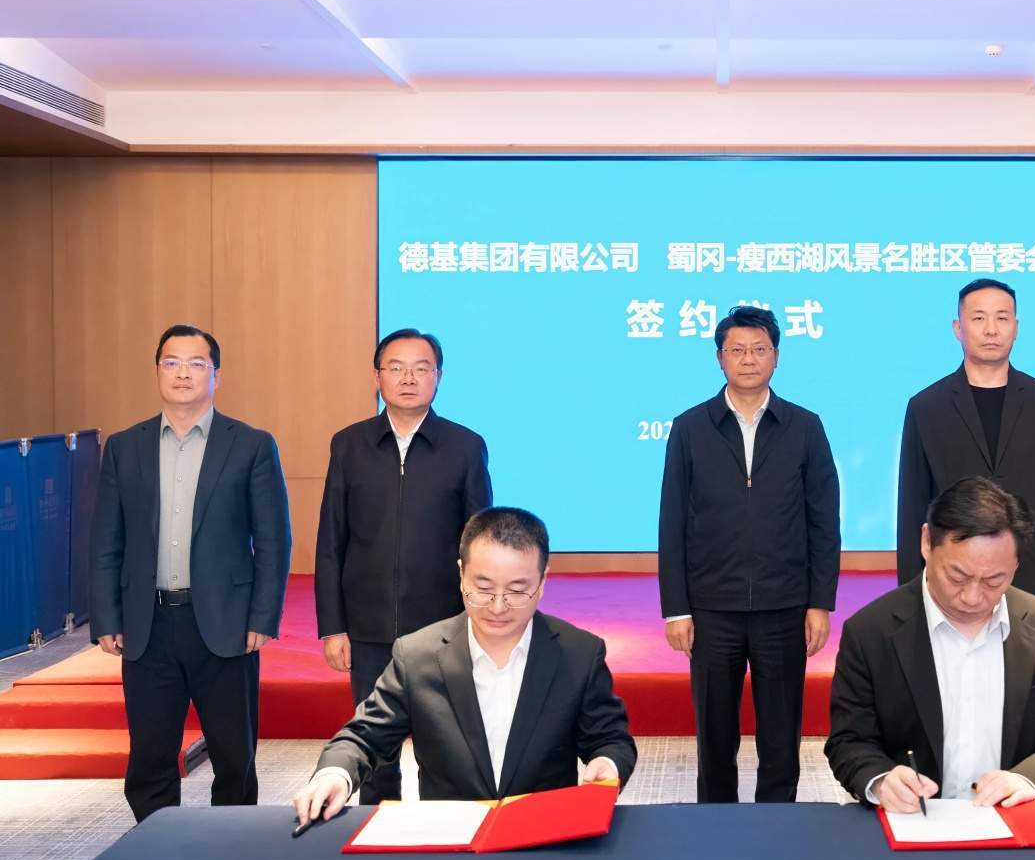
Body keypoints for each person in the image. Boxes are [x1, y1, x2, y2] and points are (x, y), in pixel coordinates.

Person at [294, 507, 636, 821]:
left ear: (543, 581)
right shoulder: (417, 656)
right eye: (482, 588)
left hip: (544, 835)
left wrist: (607, 763)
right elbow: (364, 737)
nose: (498, 606)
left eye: (518, 591)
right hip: (450, 839)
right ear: (461, 574)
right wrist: (334, 774)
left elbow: (610, 738)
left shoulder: (578, 654)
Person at [90, 324, 292, 822]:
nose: (183, 373)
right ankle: (157, 845)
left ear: (216, 375)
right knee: (150, 755)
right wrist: (106, 617)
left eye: (196, 364)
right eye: (172, 363)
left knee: (234, 755)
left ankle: (230, 847)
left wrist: (262, 617)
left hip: (225, 623)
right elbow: (106, 540)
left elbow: (273, 540)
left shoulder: (250, 445)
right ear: (157, 371)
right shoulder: (124, 447)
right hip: (148, 624)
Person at [825, 476, 1035, 812]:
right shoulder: (871, 632)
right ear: (927, 542)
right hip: (913, 822)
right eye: (957, 576)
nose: (972, 597)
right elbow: (849, 740)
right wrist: (881, 780)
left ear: (1016, 564)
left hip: (1014, 820)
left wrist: (1028, 779)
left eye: (994, 580)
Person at [658, 305, 841, 803]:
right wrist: (676, 608)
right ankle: (716, 822)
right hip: (711, 607)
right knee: (714, 733)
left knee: (780, 734)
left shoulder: (805, 426)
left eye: (759, 349)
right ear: (719, 358)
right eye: (736, 349)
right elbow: (671, 524)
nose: (748, 359)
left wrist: (819, 602)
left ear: (776, 357)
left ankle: (777, 823)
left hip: (784, 605)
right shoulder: (690, 427)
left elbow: (824, 521)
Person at [315, 327, 491, 802]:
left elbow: (480, 543)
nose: (408, 378)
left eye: (420, 368)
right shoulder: (349, 445)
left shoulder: (464, 446)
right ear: (377, 377)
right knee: (376, 753)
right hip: (367, 628)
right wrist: (333, 627)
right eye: (395, 368)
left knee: (446, 752)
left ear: (438, 377)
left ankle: (443, 836)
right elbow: (331, 541)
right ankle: (377, 833)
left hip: (443, 628)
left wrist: (477, 619)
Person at [897, 278, 1035, 610]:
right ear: (958, 328)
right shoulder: (926, 406)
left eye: (1002, 318)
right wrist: (910, 597)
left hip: (1030, 578)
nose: (991, 329)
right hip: (953, 579)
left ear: (1016, 328)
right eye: (979, 318)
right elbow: (911, 508)